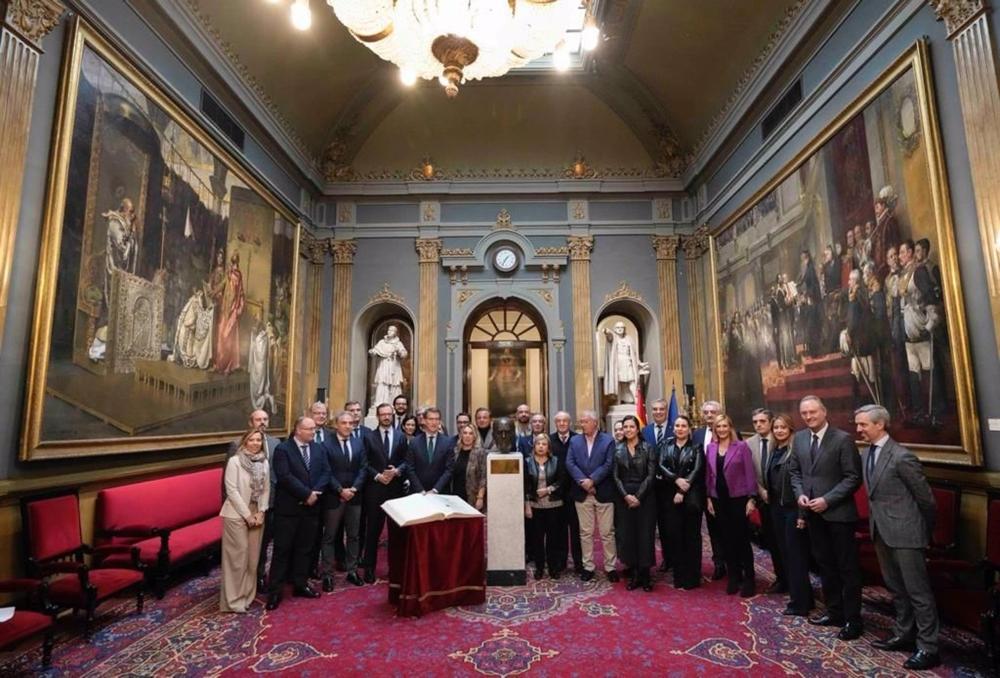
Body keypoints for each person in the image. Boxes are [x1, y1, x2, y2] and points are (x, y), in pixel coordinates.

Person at [856, 404, 940, 670]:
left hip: (907, 534)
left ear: (880, 424)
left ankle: (928, 647)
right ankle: (904, 633)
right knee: (896, 588)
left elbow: (926, 501)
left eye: (863, 424)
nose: (858, 429)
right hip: (880, 532)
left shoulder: (902, 456)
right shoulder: (867, 453)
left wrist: (922, 532)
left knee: (918, 592)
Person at [787, 395, 863, 640]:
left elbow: (853, 477)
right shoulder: (799, 438)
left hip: (839, 515)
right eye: (804, 413)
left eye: (813, 412)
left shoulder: (842, 439)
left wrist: (827, 500)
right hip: (813, 515)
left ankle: (853, 620)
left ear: (824, 411)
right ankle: (834, 611)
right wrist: (800, 494)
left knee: (846, 568)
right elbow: (795, 472)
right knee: (825, 565)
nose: (808, 416)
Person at [267, 416, 330, 610]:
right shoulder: (283, 449)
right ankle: (275, 592)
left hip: (312, 508)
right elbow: (284, 476)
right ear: (298, 430)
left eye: (314, 429)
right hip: (289, 509)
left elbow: (326, 472)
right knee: (282, 550)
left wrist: (315, 493)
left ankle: (300, 584)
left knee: (305, 549)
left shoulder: (318, 448)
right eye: (309, 429)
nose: (313, 432)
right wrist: (306, 494)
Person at [223, 409, 281, 588]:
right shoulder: (236, 444)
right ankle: (240, 584)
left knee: (262, 543)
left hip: (268, 502)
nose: (262, 422)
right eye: (258, 419)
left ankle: (259, 576)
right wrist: (228, 506)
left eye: (265, 419)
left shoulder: (276, 442)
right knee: (242, 548)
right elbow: (227, 482)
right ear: (251, 422)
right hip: (241, 506)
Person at [764, 413, 813, 617]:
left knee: (796, 557)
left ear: (791, 429)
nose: (779, 431)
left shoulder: (796, 451)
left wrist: (802, 514)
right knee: (785, 554)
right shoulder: (774, 450)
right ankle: (800, 596)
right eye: (776, 427)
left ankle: (801, 603)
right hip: (777, 507)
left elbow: (803, 484)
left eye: (783, 427)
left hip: (793, 509)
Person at [705, 415, 758, 598]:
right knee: (726, 539)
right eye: (718, 426)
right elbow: (708, 475)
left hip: (739, 498)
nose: (721, 429)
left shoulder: (741, 447)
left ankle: (749, 578)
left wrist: (752, 498)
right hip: (718, 499)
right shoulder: (710, 447)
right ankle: (734, 576)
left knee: (742, 539)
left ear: (730, 427)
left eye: (724, 426)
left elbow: (750, 473)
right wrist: (708, 498)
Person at [220, 429, 270, 612]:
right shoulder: (235, 461)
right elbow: (231, 490)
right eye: (252, 440)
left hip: (257, 512)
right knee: (237, 558)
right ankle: (233, 601)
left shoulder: (264, 462)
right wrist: (247, 515)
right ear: (244, 442)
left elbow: (266, 488)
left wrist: (261, 511)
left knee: (252, 558)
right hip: (236, 513)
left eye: (258, 440)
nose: (255, 443)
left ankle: (247, 597)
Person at [566, 410, 618, 582]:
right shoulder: (574, 441)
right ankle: (588, 566)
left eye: (585, 421)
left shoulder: (608, 440)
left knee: (607, 532)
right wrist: (584, 482)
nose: (582, 424)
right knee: (585, 532)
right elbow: (570, 463)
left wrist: (593, 480)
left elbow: (609, 464)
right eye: (581, 421)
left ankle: (610, 567)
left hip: (603, 492)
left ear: (595, 422)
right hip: (582, 493)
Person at [361, 403, 408, 583]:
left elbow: (406, 460)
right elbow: (364, 463)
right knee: (373, 531)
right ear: (378, 416)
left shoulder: (401, 436)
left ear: (393, 415)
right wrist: (378, 476)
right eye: (383, 414)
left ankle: (395, 569)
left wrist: (397, 471)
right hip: (375, 490)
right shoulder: (369, 437)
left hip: (395, 490)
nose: (386, 417)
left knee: (396, 533)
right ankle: (369, 569)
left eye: (389, 414)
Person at [319, 411, 366, 591]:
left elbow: (363, 468)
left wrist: (354, 489)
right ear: (336, 425)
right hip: (334, 497)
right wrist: (340, 490)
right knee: (330, 536)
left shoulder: (358, 442)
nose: (348, 426)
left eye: (350, 423)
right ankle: (327, 575)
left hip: (354, 496)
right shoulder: (326, 444)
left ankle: (352, 571)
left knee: (354, 535)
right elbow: (326, 471)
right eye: (344, 423)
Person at [657, 414, 704, 590]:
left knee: (692, 537)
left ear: (689, 429)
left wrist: (683, 490)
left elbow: (697, 469)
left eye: (684, 426)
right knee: (674, 536)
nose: (680, 429)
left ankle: (692, 577)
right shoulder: (666, 445)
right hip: (670, 496)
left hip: (691, 496)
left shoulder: (696, 447)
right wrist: (676, 480)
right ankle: (679, 575)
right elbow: (661, 465)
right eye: (677, 426)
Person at [613, 415, 657, 591]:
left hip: (645, 497)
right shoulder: (617, 449)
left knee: (645, 535)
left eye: (631, 427)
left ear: (638, 429)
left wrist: (638, 496)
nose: (628, 430)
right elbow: (615, 476)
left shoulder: (648, 448)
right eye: (625, 427)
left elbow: (651, 475)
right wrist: (626, 496)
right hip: (624, 497)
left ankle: (645, 574)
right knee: (628, 535)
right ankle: (634, 573)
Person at [747, 408, 786, 594]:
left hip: (782, 499)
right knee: (772, 541)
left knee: (786, 542)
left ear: (770, 422)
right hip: (762, 499)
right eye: (755, 422)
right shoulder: (749, 443)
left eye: (762, 421)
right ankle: (781, 578)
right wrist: (760, 491)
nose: (758, 425)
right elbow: (749, 472)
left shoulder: (780, 440)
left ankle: (793, 579)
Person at [693, 400, 728, 580]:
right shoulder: (697, 434)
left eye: (712, 412)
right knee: (712, 528)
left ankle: (733, 562)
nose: (709, 415)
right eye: (706, 412)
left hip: (723, 489)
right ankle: (719, 563)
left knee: (726, 527)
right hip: (700, 488)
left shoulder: (729, 432)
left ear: (720, 413)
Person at [524, 434, 564, 579]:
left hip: (554, 505)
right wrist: (527, 505)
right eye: (538, 444)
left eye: (544, 444)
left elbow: (562, 481)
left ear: (549, 447)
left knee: (553, 538)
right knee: (537, 539)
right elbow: (525, 486)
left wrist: (548, 490)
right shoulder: (527, 462)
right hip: (535, 506)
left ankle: (553, 568)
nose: (541, 446)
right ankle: (539, 567)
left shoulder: (556, 461)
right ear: (534, 446)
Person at [549, 411, 582, 575]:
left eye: (565, 421)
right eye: (559, 421)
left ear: (570, 423)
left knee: (577, 530)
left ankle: (579, 563)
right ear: (555, 423)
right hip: (557, 493)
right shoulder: (549, 440)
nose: (562, 424)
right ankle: (560, 562)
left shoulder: (578, 439)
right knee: (558, 529)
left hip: (575, 491)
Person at [643, 398, 673, 572]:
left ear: (666, 410)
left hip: (669, 485)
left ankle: (671, 558)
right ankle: (657, 560)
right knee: (651, 525)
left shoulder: (675, 428)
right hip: (650, 485)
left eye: (661, 409)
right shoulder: (645, 431)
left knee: (669, 525)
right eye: (655, 409)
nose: (658, 412)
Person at [406, 407, 455, 494]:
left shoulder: (448, 442)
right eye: (431, 419)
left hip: (440, 492)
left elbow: (449, 469)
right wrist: (420, 490)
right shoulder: (414, 442)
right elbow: (410, 468)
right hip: (418, 493)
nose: (434, 422)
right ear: (424, 421)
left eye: (437, 419)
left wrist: (435, 490)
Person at [369, 325, 408, 409]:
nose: (389, 332)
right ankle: (380, 403)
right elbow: (375, 350)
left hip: (394, 365)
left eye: (392, 330)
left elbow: (404, 354)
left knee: (395, 385)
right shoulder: (382, 342)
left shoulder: (398, 343)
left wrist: (399, 351)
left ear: (395, 333)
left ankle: (394, 404)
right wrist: (373, 352)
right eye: (389, 330)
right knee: (382, 383)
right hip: (384, 365)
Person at [603, 321, 642, 403]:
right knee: (618, 382)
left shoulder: (629, 339)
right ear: (615, 329)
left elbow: (634, 354)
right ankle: (618, 401)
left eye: (622, 327)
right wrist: (607, 331)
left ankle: (636, 401)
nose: (620, 329)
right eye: (618, 327)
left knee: (632, 381)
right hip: (618, 364)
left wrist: (638, 363)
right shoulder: (614, 338)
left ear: (624, 329)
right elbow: (609, 336)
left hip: (628, 362)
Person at [452, 424, 487, 509]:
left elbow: (483, 477)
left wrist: (480, 497)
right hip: (455, 497)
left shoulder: (480, 453)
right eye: (465, 433)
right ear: (461, 435)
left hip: (473, 498)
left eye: (471, 433)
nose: (467, 436)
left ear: (474, 436)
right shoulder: (455, 451)